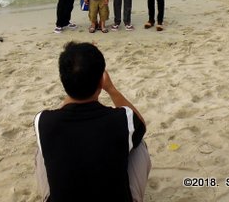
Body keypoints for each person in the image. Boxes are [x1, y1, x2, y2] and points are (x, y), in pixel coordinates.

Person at [34, 42, 151, 202]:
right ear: (101, 82)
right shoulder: (122, 119)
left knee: (42, 149)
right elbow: (141, 125)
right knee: (138, 141)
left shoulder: (43, 121)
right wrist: (111, 89)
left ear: (63, 80)